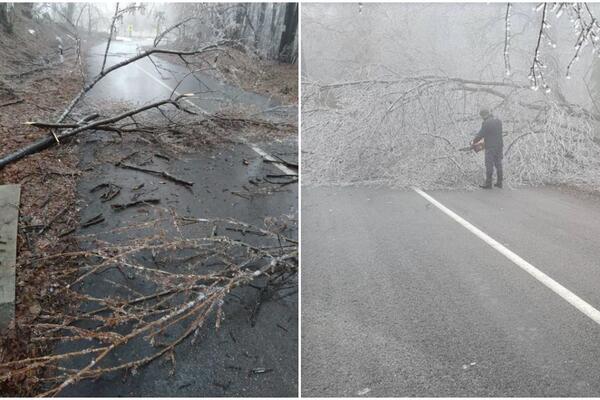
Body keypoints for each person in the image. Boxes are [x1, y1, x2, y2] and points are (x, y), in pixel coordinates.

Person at [472, 108, 503, 189]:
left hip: (490, 147)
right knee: (498, 164)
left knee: (489, 164)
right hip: (499, 146)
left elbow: (481, 135)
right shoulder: (498, 121)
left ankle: (488, 184)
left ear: (483, 115)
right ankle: (499, 183)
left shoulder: (486, 123)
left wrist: (473, 142)